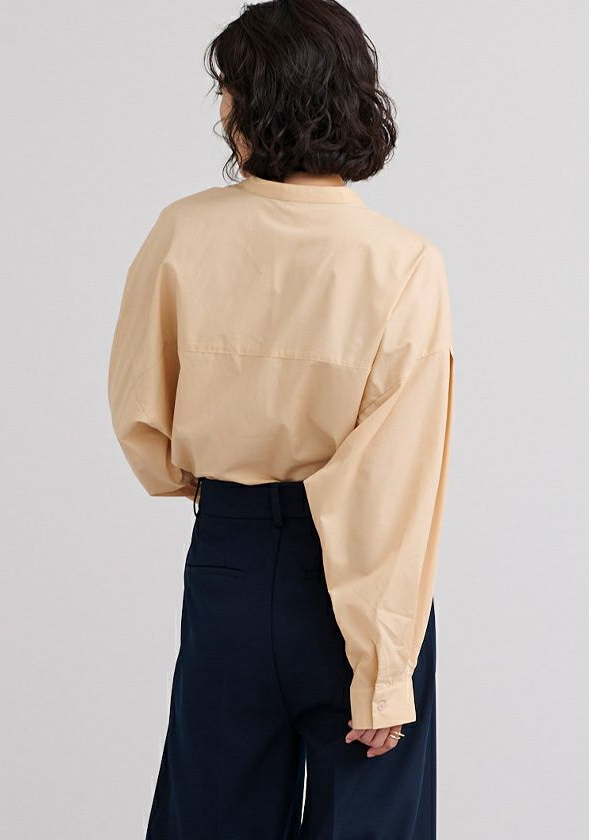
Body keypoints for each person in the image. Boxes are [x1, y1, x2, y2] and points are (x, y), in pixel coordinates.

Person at [107, 1, 454, 837]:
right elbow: (390, 487)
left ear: (261, 101)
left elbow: (139, 408)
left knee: (210, 820)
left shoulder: (183, 232)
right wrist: (382, 670)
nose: (223, 107)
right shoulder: (401, 264)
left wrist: (221, 492)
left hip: (228, 560)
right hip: (358, 589)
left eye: (229, 87)